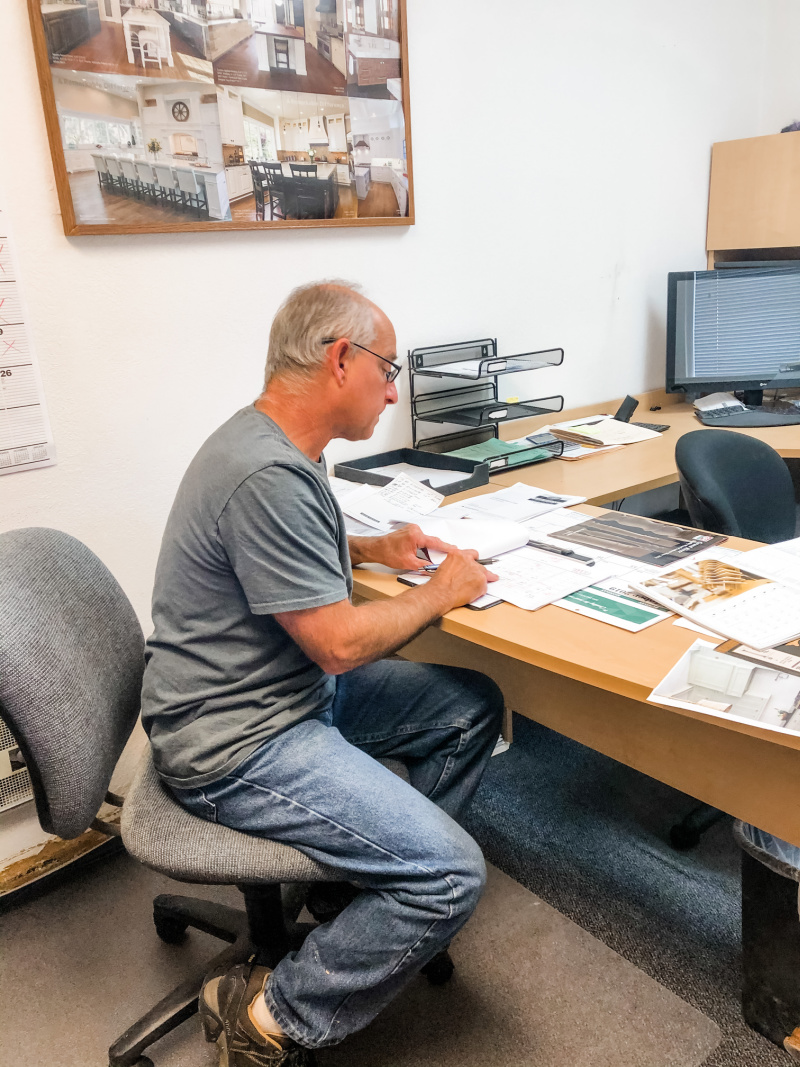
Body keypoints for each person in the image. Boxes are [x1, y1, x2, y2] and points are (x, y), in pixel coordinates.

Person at [140, 280, 505, 1067]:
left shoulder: (271, 443)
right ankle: (271, 1014)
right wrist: (443, 592)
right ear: (341, 359)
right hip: (237, 742)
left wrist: (369, 549)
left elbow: (281, 557)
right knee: (449, 875)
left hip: (279, 697)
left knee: (471, 705)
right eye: (387, 368)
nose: (394, 388)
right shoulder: (266, 474)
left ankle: (353, 894)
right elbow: (338, 644)